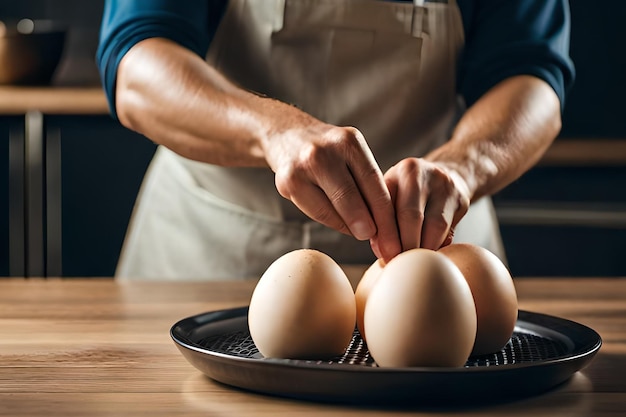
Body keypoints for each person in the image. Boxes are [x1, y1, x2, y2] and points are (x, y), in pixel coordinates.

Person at [96, 0, 574, 280]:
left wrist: (462, 168)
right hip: (207, 254)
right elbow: (138, 65)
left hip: (431, 254)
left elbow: (530, 75)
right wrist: (273, 130)